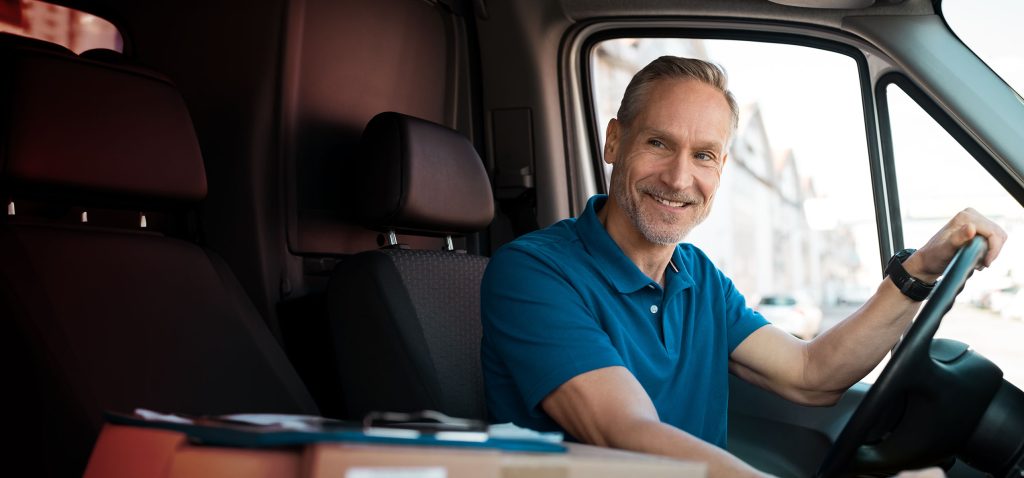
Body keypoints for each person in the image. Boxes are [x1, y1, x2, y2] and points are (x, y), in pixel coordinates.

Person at [479, 56, 1006, 478]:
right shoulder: (533, 272)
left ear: (722, 167)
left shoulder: (698, 276)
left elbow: (812, 375)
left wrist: (920, 271)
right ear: (615, 140)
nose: (680, 178)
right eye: (658, 143)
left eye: (705, 155)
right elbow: (626, 433)